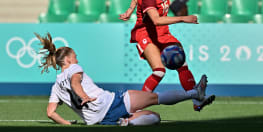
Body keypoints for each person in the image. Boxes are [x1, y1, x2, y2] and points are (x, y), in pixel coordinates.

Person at [35, 33, 215, 126]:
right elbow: (75, 82)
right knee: (155, 99)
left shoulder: (56, 86)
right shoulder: (73, 68)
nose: (77, 60)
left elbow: (50, 112)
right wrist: (84, 96)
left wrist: (68, 123)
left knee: (154, 118)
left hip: (100, 119)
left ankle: (126, 122)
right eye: (74, 57)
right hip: (112, 102)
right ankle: (195, 93)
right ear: (67, 60)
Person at [119, 0, 210, 111]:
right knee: (159, 71)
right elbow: (156, 20)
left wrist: (130, 10)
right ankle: (137, 107)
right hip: (146, 33)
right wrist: (183, 18)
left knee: (182, 63)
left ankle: (197, 99)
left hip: (162, 33)